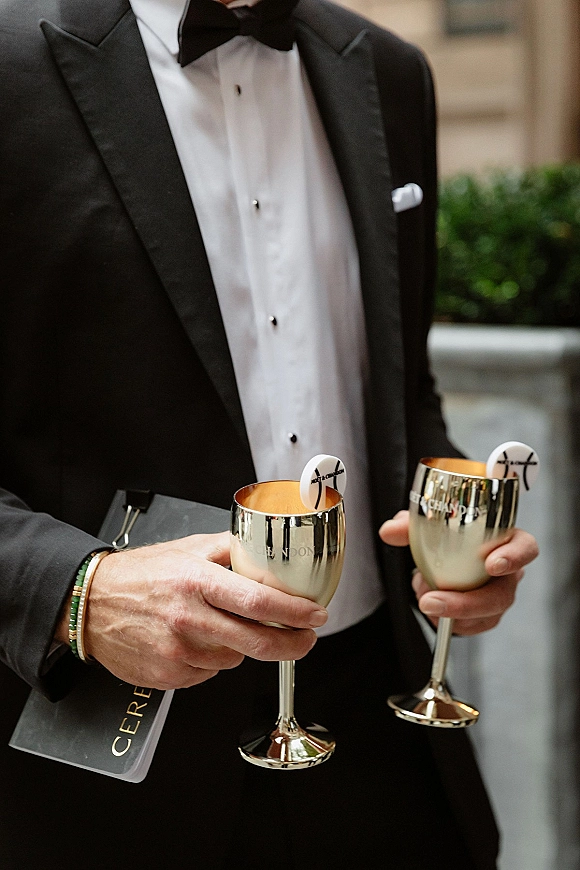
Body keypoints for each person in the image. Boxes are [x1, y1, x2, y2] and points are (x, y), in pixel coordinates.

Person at [0, 0, 538, 867]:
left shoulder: (391, 71)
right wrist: (78, 591)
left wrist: (454, 526)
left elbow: (399, 386)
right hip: (99, 773)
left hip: (382, 738)